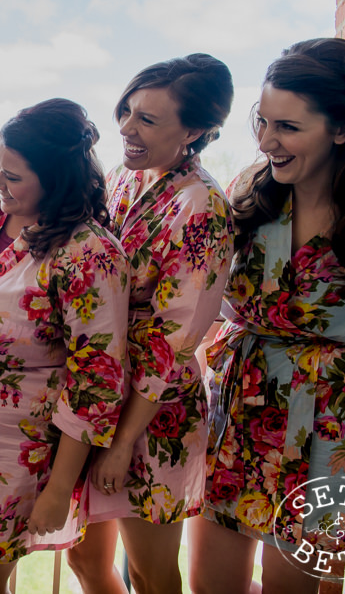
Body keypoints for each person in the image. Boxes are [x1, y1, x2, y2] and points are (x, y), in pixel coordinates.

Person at [189, 38, 345, 593]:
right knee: (210, 585)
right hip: (240, 409)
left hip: (337, 421)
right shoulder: (252, 189)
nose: (268, 141)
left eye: (287, 128)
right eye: (262, 122)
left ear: (342, 128)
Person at [0, 98, 130, 593]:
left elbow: (95, 381)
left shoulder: (89, 253)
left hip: (21, 445)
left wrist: (58, 488)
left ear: (56, 179)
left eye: (11, 176)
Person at [65, 54, 235, 594]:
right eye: (127, 112)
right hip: (96, 395)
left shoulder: (201, 207)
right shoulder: (121, 180)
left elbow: (174, 341)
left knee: (150, 573)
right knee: (84, 563)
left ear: (195, 131)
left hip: (151, 411)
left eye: (147, 121)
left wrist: (121, 443)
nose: (126, 129)